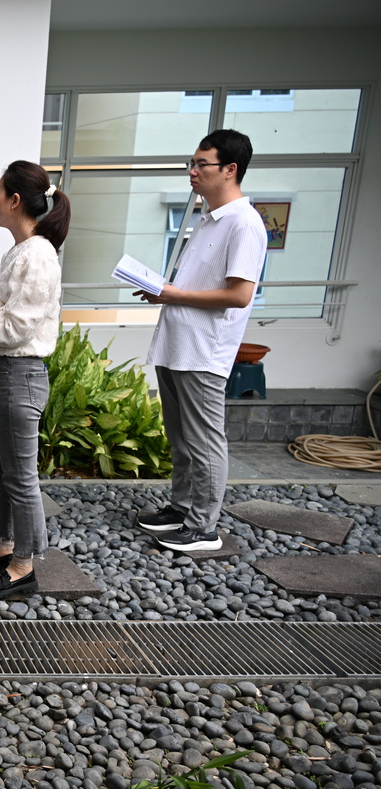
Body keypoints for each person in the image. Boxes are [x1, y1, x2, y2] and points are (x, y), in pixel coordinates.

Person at [136, 130, 265, 552]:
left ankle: (204, 527)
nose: (192, 171)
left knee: (205, 439)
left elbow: (239, 294)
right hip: (178, 344)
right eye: (191, 163)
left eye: (201, 164)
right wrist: (164, 291)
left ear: (230, 170)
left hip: (205, 351)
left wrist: (172, 294)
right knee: (181, 436)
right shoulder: (209, 218)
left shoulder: (244, 224)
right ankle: (182, 508)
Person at [0, 161, 70, 600]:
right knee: (4, 468)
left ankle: (24, 565)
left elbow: (13, 328)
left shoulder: (37, 255)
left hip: (19, 374)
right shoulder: (22, 251)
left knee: (20, 476)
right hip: (5, 372)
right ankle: (5, 545)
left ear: (15, 200)